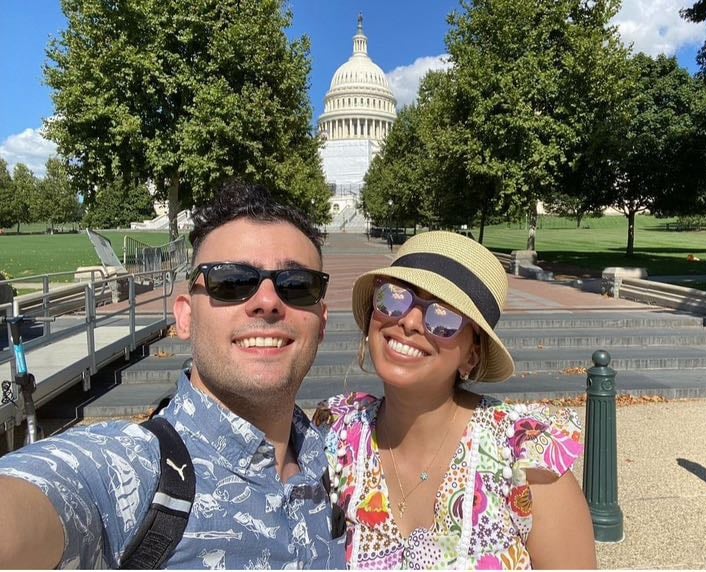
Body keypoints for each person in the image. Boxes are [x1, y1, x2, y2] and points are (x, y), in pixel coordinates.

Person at [0, 181, 346, 569]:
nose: (267, 302)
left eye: (296, 285)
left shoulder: (337, 464)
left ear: (322, 323)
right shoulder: (131, 471)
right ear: (185, 317)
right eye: (231, 281)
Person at [314, 231, 597, 569]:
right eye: (395, 297)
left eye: (444, 315)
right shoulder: (338, 435)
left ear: (472, 356)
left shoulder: (525, 459)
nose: (410, 321)